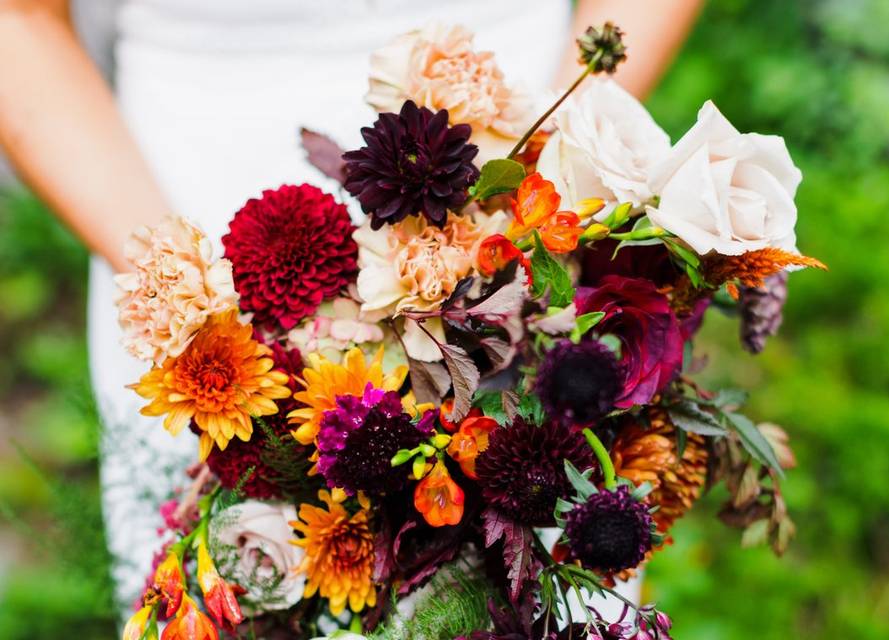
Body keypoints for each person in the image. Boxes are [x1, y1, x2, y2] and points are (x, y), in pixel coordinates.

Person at [0, 0, 703, 621]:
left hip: (511, 200)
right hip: (173, 220)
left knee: (543, 578)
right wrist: (187, 297)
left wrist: (530, 196)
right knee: (229, 580)